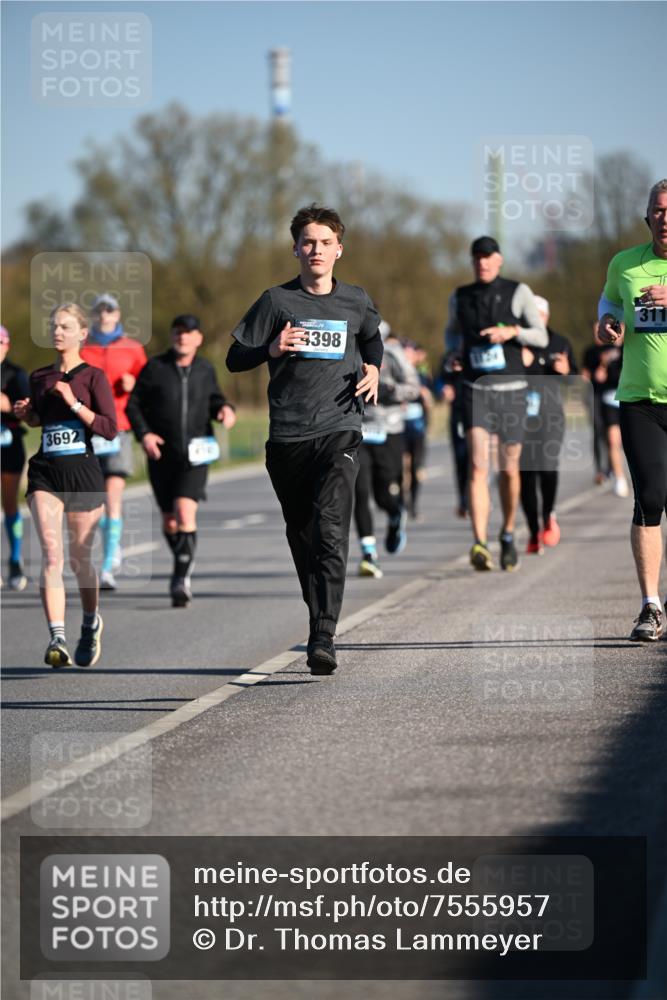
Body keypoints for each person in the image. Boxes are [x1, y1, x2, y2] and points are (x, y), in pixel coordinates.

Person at [226, 204, 382, 675]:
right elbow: (235, 358)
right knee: (303, 535)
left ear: (339, 249)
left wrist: (374, 366)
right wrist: (270, 348)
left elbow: (372, 338)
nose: (316, 249)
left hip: (341, 429)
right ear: (296, 249)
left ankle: (323, 635)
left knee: (331, 528)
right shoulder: (276, 301)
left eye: (324, 242)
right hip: (288, 436)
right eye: (307, 242)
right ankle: (318, 619)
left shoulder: (355, 300)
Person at [13, 303, 117, 667]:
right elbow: (41, 420)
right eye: (54, 325)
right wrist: (29, 415)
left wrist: (73, 402)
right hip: (45, 471)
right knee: (52, 555)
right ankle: (56, 636)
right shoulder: (39, 376)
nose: (57, 331)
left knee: (79, 560)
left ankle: (90, 623)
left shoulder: (93, 377)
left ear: (82, 333)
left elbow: (109, 427)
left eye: (65, 326)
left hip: (83, 473)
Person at [445, 236, 548, 571]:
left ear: (499, 260)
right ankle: (479, 541)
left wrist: (511, 332)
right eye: (477, 258)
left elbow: (540, 335)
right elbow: (451, 334)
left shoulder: (518, 291)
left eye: (488, 258)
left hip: (512, 388)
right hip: (475, 387)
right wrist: (455, 354)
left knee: (508, 468)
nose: (482, 264)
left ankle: (506, 532)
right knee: (477, 465)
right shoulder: (460, 296)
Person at [597, 178, 667, 642]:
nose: (664, 218)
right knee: (652, 498)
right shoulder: (625, 262)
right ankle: (650, 606)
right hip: (640, 400)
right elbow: (609, 303)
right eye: (657, 210)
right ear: (647, 217)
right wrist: (606, 325)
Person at [127, 314, 236, 608]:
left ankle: (180, 578)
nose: (182, 337)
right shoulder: (155, 368)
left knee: (185, 513)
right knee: (170, 520)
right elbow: (133, 405)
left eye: (188, 333)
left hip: (196, 454)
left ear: (199, 338)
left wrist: (225, 409)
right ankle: (183, 557)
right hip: (161, 455)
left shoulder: (204, 369)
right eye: (177, 332)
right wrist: (145, 435)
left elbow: (215, 399)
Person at [81, 293, 148, 590]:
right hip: (90, 429)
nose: (105, 316)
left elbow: (147, 387)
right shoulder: (84, 349)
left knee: (112, 497)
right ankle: (113, 544)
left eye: (110, 311)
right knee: (94, 499)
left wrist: (134, 386)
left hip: (119, 428)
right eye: (100, 311)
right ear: (94, 316)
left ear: (118, 315)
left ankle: (107, 565)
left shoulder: (133, 349)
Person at [354, 326, 420, 578]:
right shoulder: (351, 351)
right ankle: (369, 553)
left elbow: (413, 388)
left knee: (383, 494)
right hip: (357, 430)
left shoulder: (393, 353)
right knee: (360, 491)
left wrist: (390, 390)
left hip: (389, 431)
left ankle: (395, 513)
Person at [519, 296, 578, 553]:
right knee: (525, 476)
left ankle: (549, 516)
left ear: (546, 316)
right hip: (519, 417)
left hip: (552, 416)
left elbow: (577, 382)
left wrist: (566, 371)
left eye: (539, 314)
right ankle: (533, 530)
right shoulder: (517, 342)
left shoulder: (559, 342)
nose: (535, 319)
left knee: (548, 468)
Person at [580, 333, 627, 496]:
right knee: (612, 439)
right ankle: (619, 478)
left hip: (631, 398)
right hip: (610, 398)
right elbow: (592, 374)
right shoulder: (598, 351)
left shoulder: (632, 347)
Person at [1, 325, 30, 590]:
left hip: (8, 444)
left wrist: (7, 404)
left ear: (7, 345)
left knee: (9, 503)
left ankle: (15, 558)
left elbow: (27, 407)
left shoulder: (15, 374)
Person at [401, 339, 433, 521]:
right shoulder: (396, 373)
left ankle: (412, 503)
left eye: (410, 353)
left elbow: (429, 401)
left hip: (417, 428)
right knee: (402, 467)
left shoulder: (422, 376)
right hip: (400, 427)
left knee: (415, 468)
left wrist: (425, 396)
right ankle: (402, 501)